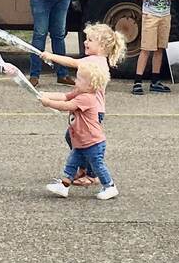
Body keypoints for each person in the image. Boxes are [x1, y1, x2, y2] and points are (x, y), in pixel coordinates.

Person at [41, 23, 126, 186]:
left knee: (89, 141)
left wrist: (51, 56)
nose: (85, 42)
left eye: (90, 40)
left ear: (102, 45)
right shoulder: (97, 60)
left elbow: (71, 62)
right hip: (89, 107)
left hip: (91, 110)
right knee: (73, 136)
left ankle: (92, 173)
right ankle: (82, 166)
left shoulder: (93, 63)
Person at [40, 61, 119, 200]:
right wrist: (46, 94)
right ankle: (64, 186)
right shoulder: (79, 92)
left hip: (93, 142)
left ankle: (110, 186)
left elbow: (67, 105)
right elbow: (64, 96)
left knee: (97, 166)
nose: (76, 81)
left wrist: (49, 103)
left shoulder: (87, 98)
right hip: (81, 141)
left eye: (80, 79)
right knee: (71, 163)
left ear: (91, 85)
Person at [132, 0, 177, 95]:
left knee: (160, 48)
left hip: (165, 14)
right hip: (149, 14)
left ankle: (155, 81)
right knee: (145, 48)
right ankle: (137, 81)